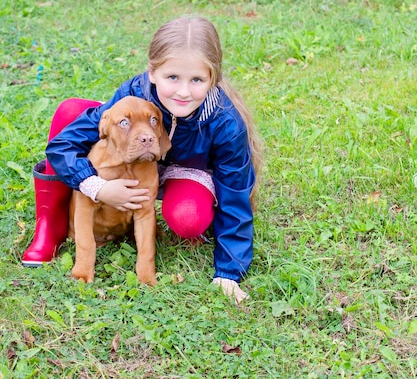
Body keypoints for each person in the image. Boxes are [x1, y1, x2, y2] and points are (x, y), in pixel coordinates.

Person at [22, 16, 263, 303]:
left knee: (188, 218)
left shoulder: (225, 123)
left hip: (185, 169)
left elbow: (235, 194)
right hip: (127, 160)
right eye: (172, 77)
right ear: (152, 72)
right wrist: (95, 186)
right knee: (70, 111)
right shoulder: (134, 93)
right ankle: (50, 225)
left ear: (213, 78)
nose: (183, 91)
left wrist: (228, 273)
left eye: (196, 79)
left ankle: (198, 219)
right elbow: (63, 145)